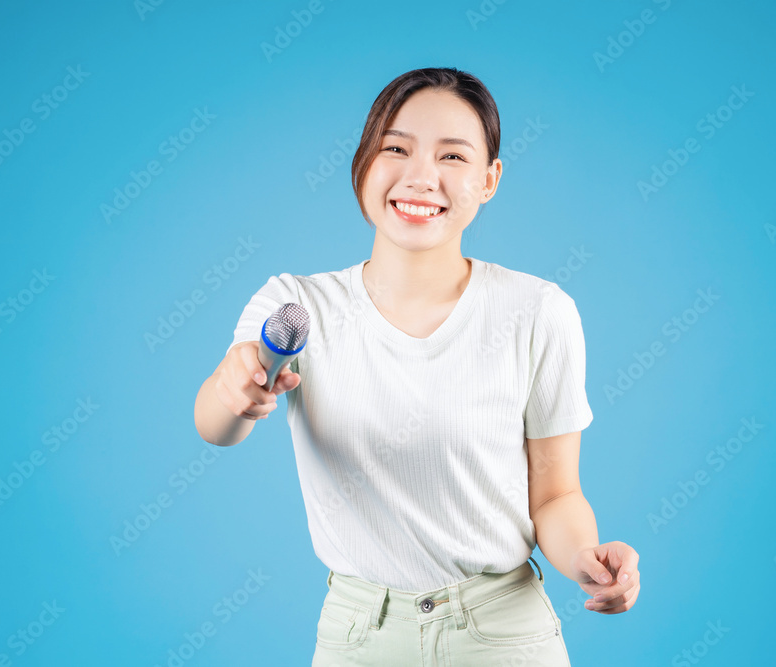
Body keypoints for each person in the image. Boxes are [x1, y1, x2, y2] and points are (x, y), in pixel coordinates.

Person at [193, 67, 641, 666]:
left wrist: (586, 555)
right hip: (359, 638)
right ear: (363, 166)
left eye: (453, 156)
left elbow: (556, 494)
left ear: (489, 180)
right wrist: (232, 391)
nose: (421, 176)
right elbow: (216, 427)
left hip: (503, 634)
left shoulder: (539, 311)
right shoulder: (296, 304)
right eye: (396, 148)